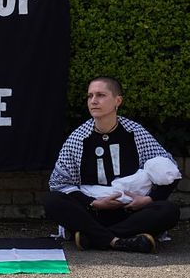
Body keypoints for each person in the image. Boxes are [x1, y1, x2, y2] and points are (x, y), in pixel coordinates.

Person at [43, 76, 181, 253]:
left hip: (131, 211)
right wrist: (93, 202)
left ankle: (94, 238)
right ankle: (122, 240)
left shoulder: (135, 133)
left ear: (118, 101)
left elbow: (170, 171)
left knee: (168, 210)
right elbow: (59, 183)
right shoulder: (78, 138)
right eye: (90, 96)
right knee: (52, 201)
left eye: (100, 95)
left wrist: (148, 199)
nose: (93, 101)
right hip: (93, 212)